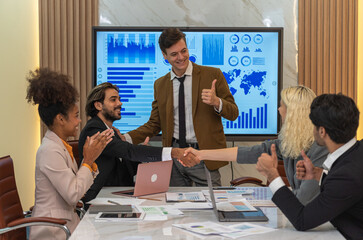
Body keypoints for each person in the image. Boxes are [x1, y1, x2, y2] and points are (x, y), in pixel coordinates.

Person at [125, 27, 239, 187]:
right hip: (175, 156)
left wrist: (217, 102)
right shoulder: (160, 84)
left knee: (212, 206)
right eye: (174, 54)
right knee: (175, 207)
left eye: (183, 51)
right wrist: (126, 138)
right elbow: (154, 124)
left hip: (203, 155)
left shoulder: (212, 75)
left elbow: (234, 113)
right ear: (164, 56)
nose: (181, 57)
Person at [256, 93, 363, 239]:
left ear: (322, 131)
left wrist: (272, 175)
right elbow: (351, 189)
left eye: (313, 124)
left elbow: (302, 220)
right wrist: (318, 174)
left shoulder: (346, 176)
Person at [185, 86, 329, 205]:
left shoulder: (320, 147)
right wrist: (201, 154)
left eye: (282, 105)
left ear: (293, 113)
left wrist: (271, 175)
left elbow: (304, 200)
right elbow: (247, 152)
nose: (279, 109)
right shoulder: (290, 142)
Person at [26, 68, 113, 239]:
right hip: (53, 230)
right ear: (60, 119)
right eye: (76, 116)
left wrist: (91, 161)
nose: (79, 121)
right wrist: (88, 160)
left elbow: (76, 190)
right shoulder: (49, 151)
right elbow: (73, 194)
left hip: (67, 221)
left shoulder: (60, 145)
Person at [79, 82, 198, 202]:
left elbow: (124, 169)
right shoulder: (94, 130)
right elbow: (129, 151)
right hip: (99, 198)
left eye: (119, 99)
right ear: (98, 105)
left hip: (117, 195)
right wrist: (173, 152)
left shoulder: (112, 131)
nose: (119, 103)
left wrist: (142, 156)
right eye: (113, 100)